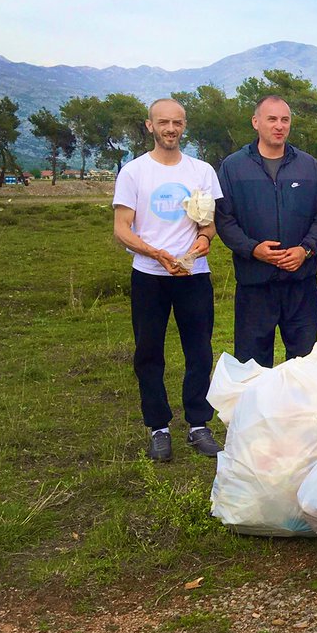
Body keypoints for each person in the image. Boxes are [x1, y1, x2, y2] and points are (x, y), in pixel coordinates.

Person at [112, 98, 222, 461]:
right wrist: (156, 254)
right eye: (163, 123)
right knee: (148, 352)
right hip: (149, 276)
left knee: (199, 351)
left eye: (177, 122)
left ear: (184, 125)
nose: (170, 129)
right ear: (150, 126)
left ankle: (198, 425)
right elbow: (121, 228)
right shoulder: (134, 172)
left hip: (193, 275)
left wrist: (202, 242)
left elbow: (208, 223)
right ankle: (158, 426)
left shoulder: (201, 170)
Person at [214, 95, 317, 368]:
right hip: (255, 284)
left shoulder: (307, 165)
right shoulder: (233, 167)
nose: (279, 126)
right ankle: (257, 411)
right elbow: (224, 219)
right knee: (253, 364)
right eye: (272, 119)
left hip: (301, 283)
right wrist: (252, 249)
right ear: (256, 122)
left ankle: (300, 412)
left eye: (285, 119)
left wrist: (305, 249)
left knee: (303, 362)